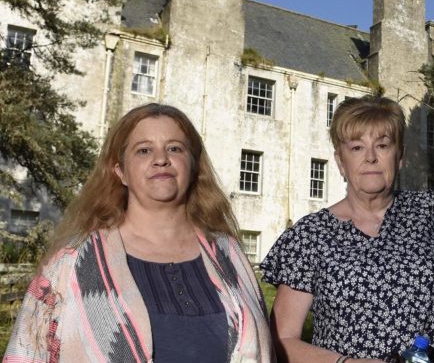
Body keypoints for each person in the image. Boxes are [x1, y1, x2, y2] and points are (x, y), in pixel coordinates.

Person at [260, 95, 434, 363]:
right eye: (357, 147)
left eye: (382, 145)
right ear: (340, 161)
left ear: (400, 157)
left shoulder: (430, 212)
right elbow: (282, 340)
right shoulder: (309, 236)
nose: (370, 157)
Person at [4, 103, 273, 362]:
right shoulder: (73, 262)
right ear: (120, 171)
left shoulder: (229, 254)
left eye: (175, 148)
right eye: (144, 150)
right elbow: (26, 353)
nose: (161, 160)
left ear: (193, 166)